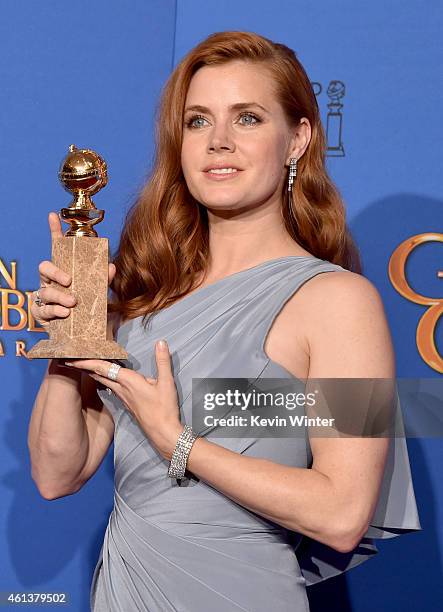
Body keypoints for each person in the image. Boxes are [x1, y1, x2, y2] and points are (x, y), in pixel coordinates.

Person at [28, 31, 421, 612]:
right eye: (197, 122)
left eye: (249, 119)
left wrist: (178, 441)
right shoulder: (143, 301)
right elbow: (57, 474)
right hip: (126, 589)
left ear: (298, 140)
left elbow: (341, 513)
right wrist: (71, 339)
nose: (218, 142)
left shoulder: (341, 302)